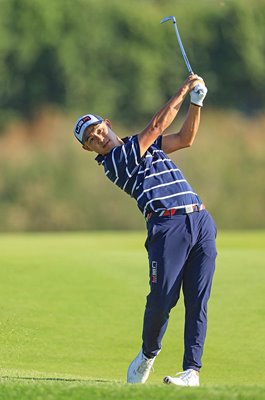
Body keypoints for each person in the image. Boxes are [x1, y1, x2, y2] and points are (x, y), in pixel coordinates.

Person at [73, 74, 217, 387]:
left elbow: (185, 139)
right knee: (163, 300)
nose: (100, 138)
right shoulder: (115, 161)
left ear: (108, 124)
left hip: (200, 221)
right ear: (89, 149)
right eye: (92, 139)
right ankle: (148, 354)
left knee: (197, 300)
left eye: (99, 130)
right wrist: (183, 90)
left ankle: (192, 371)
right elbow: (155, 127)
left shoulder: (144, 147)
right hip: (167, 226)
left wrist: (197, 102)